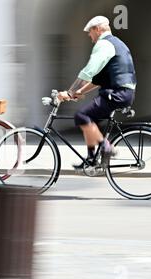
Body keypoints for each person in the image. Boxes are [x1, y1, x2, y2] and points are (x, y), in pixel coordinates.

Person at [57, 16, 137, 169]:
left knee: (81, 116)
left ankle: (106, 147)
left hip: (117, 93)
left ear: (98, 29)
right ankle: (91, 159)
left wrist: (69, 91)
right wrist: (78, 92)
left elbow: (88, 71)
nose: (89, 35)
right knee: (89, 119)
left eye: (90, 31)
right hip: (124, 92)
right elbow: (98, 78)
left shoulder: (104, 44)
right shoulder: (117, 44)